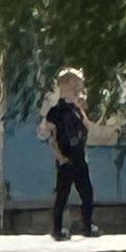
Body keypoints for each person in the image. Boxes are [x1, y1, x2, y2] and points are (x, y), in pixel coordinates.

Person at [40, 69, 95, 240]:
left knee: (87, 193)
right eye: (77, 81)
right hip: (66, 158)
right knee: (63, 195)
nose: (80, 84)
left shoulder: (76, 109)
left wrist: (81, 108)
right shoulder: (56, 111)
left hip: (78, 156)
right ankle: (58, 229)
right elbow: (48, 136)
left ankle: (87, 225)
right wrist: (61, 158)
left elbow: (88, 127)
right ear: (69, 83)